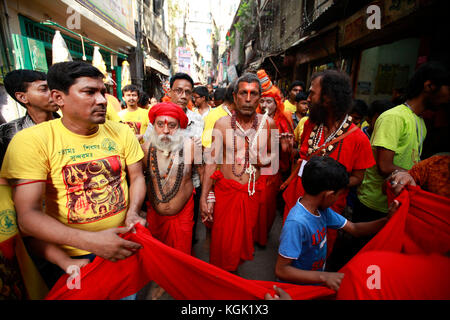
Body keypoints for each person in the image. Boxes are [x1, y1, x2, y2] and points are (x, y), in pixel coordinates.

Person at [0, 61, 146, 295]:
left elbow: (137, 177)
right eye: (89, 92)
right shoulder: (31, 141)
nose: (101, 100)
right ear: (59, 97)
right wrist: (91, 243)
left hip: (121, 244)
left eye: (103, 92)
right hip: (69, 258)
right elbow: (28, 216)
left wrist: (134, 212)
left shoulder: (121, 132)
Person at [281, 70, 375, 265]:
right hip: (297, 201)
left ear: (328, 98)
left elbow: (358, 177)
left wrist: (328, 185)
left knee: (315, 256)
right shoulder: (310, 124)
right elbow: (304, 155)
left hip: (328, 209)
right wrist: (290, 150)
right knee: (290, 252)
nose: (308, 98)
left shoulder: (358, 139)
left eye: (312, 93)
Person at [276, 156, 394, 291]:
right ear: (329, 195)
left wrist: (387, 220)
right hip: (294, 290)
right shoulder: (296, 223)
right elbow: (282, 270)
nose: (337, 199)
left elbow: (355, 229)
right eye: (338, 195)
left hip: (313, 285)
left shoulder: (322, 210)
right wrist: (324, 277)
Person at [200, 73, 278, 272]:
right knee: (223, 242)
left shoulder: (268, 124)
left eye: (253, 94)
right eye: (243, 93)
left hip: (252, 194)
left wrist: (262, 161)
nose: (248, 98)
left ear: (260, 98)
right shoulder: (222, 124)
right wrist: (206, 195)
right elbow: (211, 161)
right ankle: (223, 279)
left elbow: (274, 158)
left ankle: (232, 276)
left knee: (241, 243)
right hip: (226, 193)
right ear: (235, 97)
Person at [356, 62, 450, 222]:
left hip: (396, 203)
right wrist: (422, 178)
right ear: (429, 86)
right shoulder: (394, 117)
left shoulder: (419, 121)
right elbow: (384, 166)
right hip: (375, 206)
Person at [143, 102, 196, 299]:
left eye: (172, 125)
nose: (165, 130)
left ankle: (179, 282)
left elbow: (205, 171)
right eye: (160, 124)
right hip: (154, 210)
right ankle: (161, 280)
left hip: (183, 210)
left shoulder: (190, 146)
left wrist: (209, 196)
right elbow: (138, 176)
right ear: (153, 125)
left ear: (180, 127)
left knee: (182, 255)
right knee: (157, 253)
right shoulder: (146, 146)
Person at [254, 70, 294, 247]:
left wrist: (284, 147)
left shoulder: (283, 121)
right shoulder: (252, 119)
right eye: (261, 101)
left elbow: (287, 151)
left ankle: (261, 238)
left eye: (269, 101)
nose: (265, 105)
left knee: (266, 206)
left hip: (272, 170)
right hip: (254, 168)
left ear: (276, 103)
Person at [0, 70, 59, 166]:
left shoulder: (73, 126)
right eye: (44, 89)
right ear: (22, 97)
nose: (54, 93)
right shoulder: (7, 134)